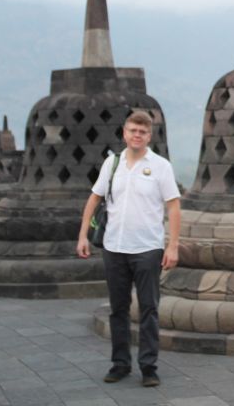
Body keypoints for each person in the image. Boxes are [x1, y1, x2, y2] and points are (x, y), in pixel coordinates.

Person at [76, 111, 181, 388]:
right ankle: (120, 363)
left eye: (143, 132)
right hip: (114, 247)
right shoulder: (112, 164)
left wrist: (173, 245)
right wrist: (83, 235)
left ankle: (148, 367)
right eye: (133, 130)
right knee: (118, 308)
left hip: (147, 248)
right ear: (124, 133)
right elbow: (94, 198)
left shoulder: (160, 167)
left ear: (150, 136)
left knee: (148, 309)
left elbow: (173, 205)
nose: (137, 135)